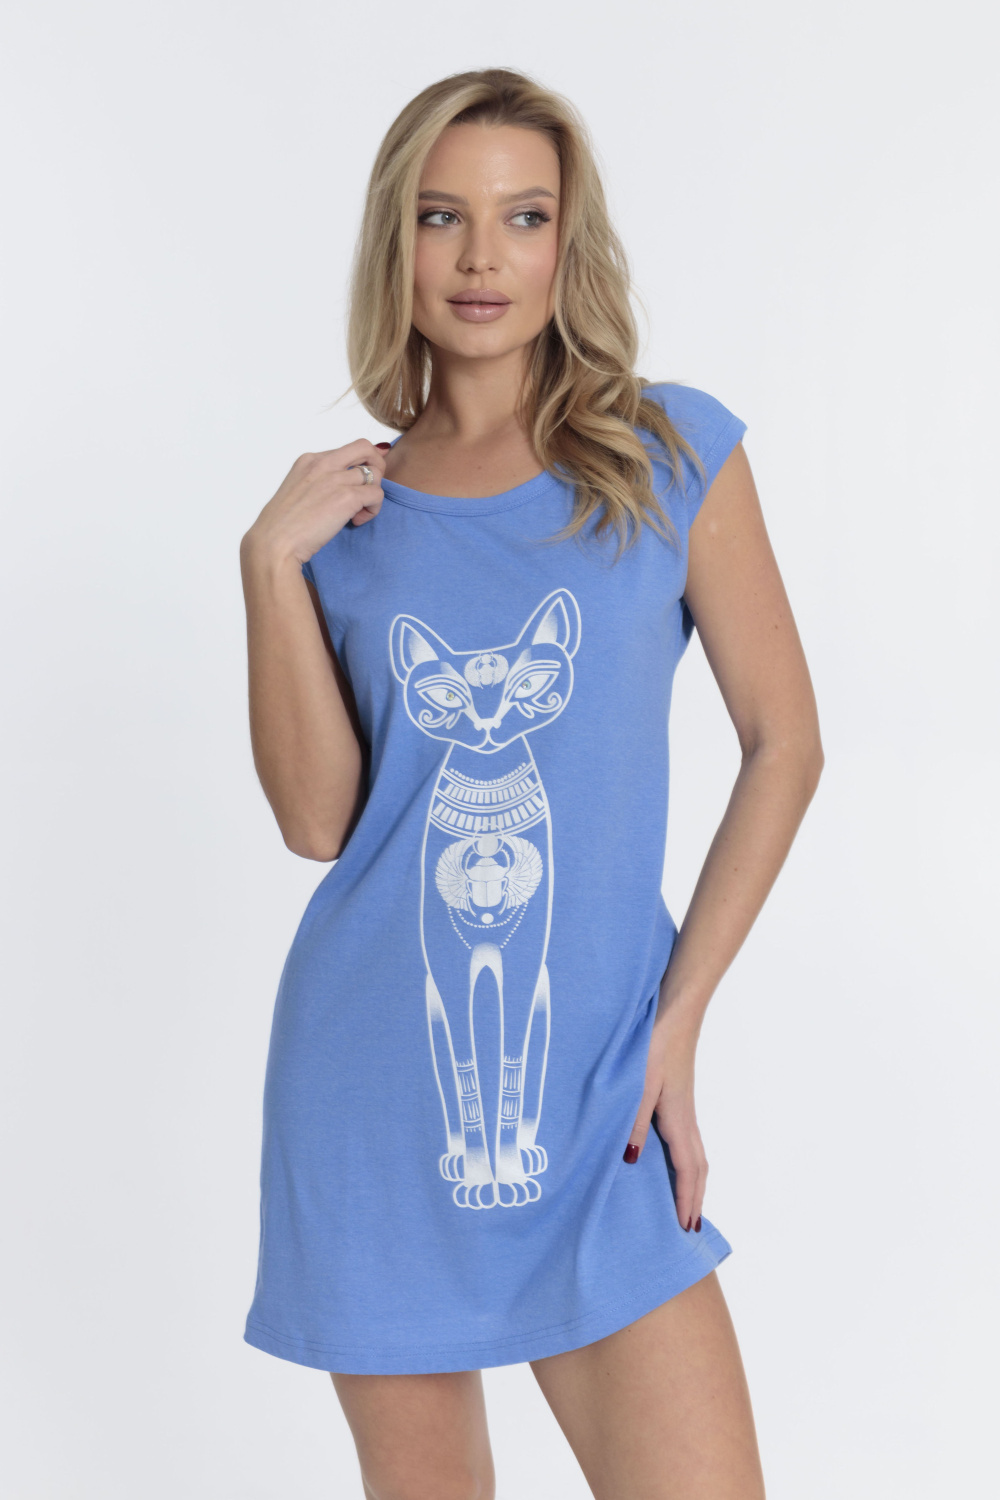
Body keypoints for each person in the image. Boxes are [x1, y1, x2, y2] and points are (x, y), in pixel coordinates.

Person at [239, 67, 822, 1500]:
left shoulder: (666, 452)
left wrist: (678, 1022)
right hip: (375, 1092)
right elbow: (320, 823)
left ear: (570, 241)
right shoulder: (347, 518)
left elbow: (785, 743)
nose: (481, 257)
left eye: (523, 215)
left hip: (599, 1094)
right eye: (442, 216)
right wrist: (266, 568)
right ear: (398, 242)